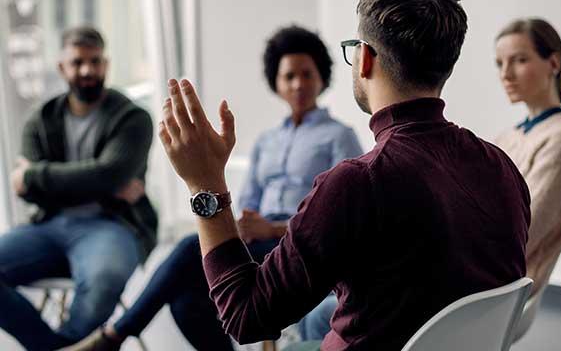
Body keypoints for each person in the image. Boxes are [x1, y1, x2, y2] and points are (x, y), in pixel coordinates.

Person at [157, 0, 531, 350]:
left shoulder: (357, 183)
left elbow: (246, 317)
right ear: (446, 66)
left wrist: (205, 186)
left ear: (364, 58)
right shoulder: (502, 167)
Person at [65, 25, 363, 350]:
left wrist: (274, 228)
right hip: (255, 241)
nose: (298, 84)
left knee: (186, 249)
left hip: (296, 245)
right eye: (289, 76)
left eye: (307, 74)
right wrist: (239, 226)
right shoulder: (266, 142)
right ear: (276, 82)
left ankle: (113, 336)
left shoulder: (339, 136)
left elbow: (341, 218)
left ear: (322, 77)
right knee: (185, 298)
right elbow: (246, 201)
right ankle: (113, 337)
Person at [0, 27, 158, 350]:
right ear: (62, 67)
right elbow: (29, 191)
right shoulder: (40, 120)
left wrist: (36, 176)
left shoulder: (134, 118)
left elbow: (108, 173)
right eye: (77, 62)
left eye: (95, 61)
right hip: (49, 225)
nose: (87, 70)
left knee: (105, 281)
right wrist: (102, 181)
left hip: (113, 225)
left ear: (106, 64)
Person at [494, 18, 561, 340]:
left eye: (519, 60)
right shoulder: (509, 136)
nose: (505, 74)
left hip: (495, 293)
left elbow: (520, 236)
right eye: (499, 63)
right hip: (479, 277)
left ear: (553, 62)